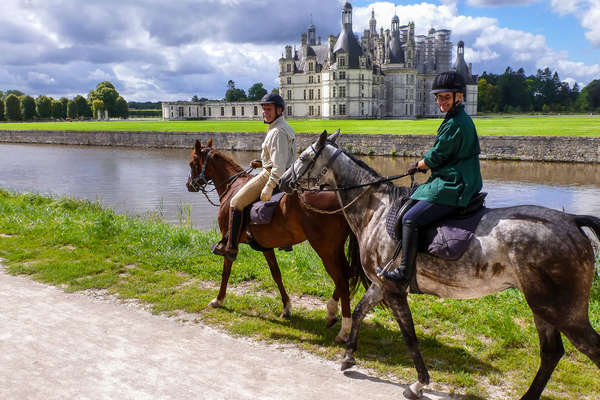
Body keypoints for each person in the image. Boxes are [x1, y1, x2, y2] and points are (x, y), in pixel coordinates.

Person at [379, 71, 483, 284]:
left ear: (459, 97)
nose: (441, 101)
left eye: (446, 97)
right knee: (415, 197)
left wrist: (418, 165)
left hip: (454, 183)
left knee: (410, 219)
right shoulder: (456, 118)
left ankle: (404, 273)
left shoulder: (456, 123)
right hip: (455, 177)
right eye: (438, 97)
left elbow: (437, 155)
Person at [211, 93, 296, 262]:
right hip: (287, 174)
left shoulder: (277, 132)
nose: (265, 112)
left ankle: (231, 248)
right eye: (263, 109)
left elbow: (277, 167)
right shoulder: (283, 127)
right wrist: (261, 162)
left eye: (269, 109)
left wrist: (269, 186)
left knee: (235, 202)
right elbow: (282, 157)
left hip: (273, 175)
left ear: (279, 110)